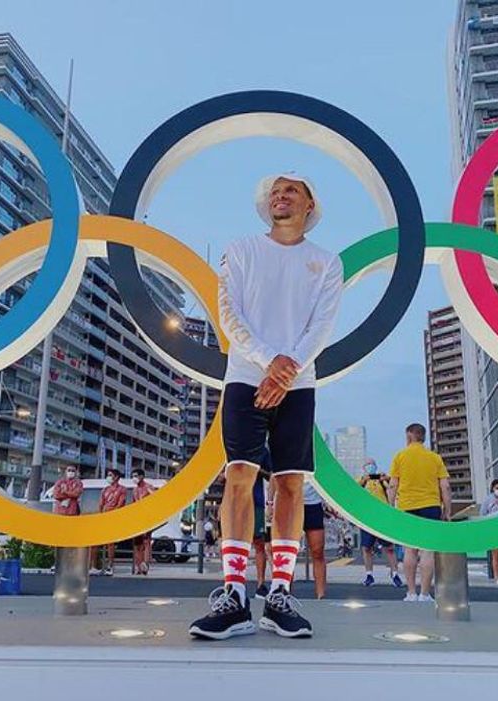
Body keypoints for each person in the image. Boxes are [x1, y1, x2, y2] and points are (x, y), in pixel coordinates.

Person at [188, 173, 343, 641]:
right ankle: (234, 594)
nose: (281, 195)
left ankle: (279, 595)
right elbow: (228, 314)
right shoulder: (240, 250)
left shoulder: (326, 261)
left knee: (291, 483)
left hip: (298, 381)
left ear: (310, 202)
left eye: (292, 189)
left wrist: (288, 369)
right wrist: (268, 363)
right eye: (275, 190)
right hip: (244, 377)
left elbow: (323, 324)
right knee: (239, 475)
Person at [389, 423, 450, 602]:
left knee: (410, 550)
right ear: (423, 437)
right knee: (427, 551)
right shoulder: (434, 458)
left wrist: (391, 506)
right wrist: (447, 510)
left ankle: (411, 592)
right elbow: (445, 486)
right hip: (431, 506)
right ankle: (424, 593)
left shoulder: (400, 456)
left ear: (409, 436)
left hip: (407, 507)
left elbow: (393, 484)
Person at [357, 458, 402, 587]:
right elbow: (354, 491)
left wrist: (386, 479)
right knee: (367, 547)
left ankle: (394, 574)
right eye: (367, 465)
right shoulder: (361, 480)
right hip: (367, 518)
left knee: (389, 548)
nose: (370, 467)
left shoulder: (383, 481)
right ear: (364, 468)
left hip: (383, 517)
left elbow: (394, 490)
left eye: (372, 464)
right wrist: (363, 480)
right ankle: (369, 575)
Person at [96, 468, 128, 575]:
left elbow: (120, 503)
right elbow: (101, 504)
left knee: (110, 543)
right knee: (98, 542)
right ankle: (96, 565)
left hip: (113, 517)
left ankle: (110, 564)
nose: (109, 477)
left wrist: (112, 515)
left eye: (110, 475)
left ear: (116, 477)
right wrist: (101, 515)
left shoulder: (122, 489)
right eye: (108, 475)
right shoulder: (105, 490)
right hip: (104, 517)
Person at [302, 481, 328, 599]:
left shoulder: (319, 462)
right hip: (291, 503)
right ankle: (285, 593)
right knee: (288, 552)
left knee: (317, 552)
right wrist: (270, 503)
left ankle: (320, 594)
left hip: (313, 504)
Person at [131, 469, 157, 574]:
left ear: (142, 476)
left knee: (146, 542)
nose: (134, 478)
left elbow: (155, 498)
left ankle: (145, 565)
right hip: (137, 518)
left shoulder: (148, 487)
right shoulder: (134, 490)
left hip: (147, 518)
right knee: (137, 544)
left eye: (136, 476)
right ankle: (138, 566)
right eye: (133, 476)